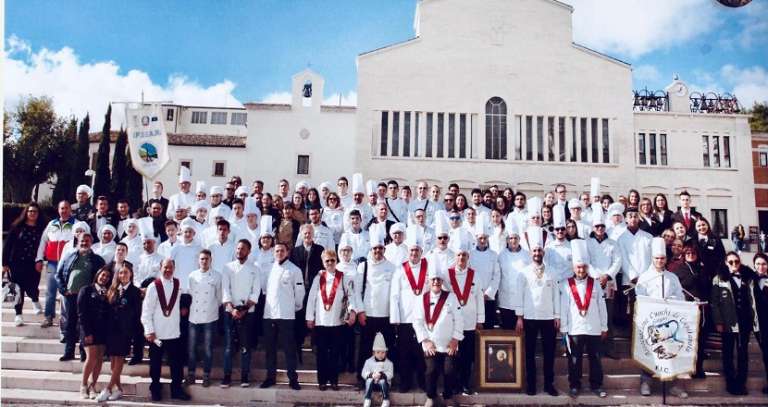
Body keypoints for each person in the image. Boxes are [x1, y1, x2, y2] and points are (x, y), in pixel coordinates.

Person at [635, 237, 687, 398]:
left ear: (666, 259)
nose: (659, 261)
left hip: (669, 323)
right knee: (649, 352)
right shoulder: (644, 277)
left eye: (662, 258)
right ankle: (646, 383)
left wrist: (673, 301)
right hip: (651, 323)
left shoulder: (672, 277)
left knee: (670, 353)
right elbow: (640, 298)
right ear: (652, 259)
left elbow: (681, 296)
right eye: (657, 258)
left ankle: (673, 385)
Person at [560, 239, 608, 398]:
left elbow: (602, 306)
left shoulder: (594, 284)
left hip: (594, 327)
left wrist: (604, 327)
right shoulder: (566, 284)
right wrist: (564, 328)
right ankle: (574, 385)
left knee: (595, 358)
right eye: (578, 267)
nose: (581, 270)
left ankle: (597, 385)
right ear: (574, 267)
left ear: (587, 267)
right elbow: (564, 307)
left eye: (583, 267)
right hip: (574, 328)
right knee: (574, 359)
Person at [517, 226, 560, 396]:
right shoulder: (524, 273)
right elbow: (519, 296)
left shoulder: (552, 272)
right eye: (534, 250)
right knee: (530, 353)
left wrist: (557, 316)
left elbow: (556, 295)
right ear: (530, 253)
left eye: (539, 250)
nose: (537, 253)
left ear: (543, 253)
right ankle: (531, 384)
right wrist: (519, 317)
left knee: (549, 353)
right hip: (529, 317)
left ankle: (549, 384)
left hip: (548, 317)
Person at [306, 249, 358, 390]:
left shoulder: (343, 277)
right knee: (321, 353)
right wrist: (310, 317)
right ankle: (322, 381)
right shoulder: (318, 278)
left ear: (336, 261)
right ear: (323, 262)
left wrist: (352, 312)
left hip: (337, 322)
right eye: (327, 261)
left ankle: (334, 380)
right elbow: (311, 299)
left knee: (336, 353)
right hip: (321, 322)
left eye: (332, 260)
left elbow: (351, 296)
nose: (330, 263)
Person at [413, 265, 463, 407]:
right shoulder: (422, 299)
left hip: (449, 344)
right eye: (433, 279)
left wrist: (455, 340)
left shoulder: (451, 297)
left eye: (439, 280)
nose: (436, 282)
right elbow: (417, 321)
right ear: (429, 281)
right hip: (431, 344)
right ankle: (431, 396)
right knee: (430, 371)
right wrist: (425, 341)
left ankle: (448, 396)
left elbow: (459, 319)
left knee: (449, 370)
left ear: (442, 282)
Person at [142, 258, 191, 401]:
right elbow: (146, 311)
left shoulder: (178, 283)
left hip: (174, 332)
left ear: (174, 268)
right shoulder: (153, 286)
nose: (168, 270)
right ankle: (155, 389)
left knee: (176, 363)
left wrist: (184, 306)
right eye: (165, 267)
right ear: (160, 267)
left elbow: (185, 296)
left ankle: (176, 389)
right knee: (155, 364)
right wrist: (149, 330)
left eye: (170, 267)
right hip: (156, 333)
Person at [711, 251, 760, 395]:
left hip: (744, 322)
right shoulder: (718, 279)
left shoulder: (748, 277)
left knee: (743, 353)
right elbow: (714, 303)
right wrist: (718, 321)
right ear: (726, 263)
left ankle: (741, 383)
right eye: (730, 262)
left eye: (736, 262)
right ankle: (730, 383)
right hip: (728, 322)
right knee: (727, 353)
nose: (734, 265)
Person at [389, 226, 429, 392]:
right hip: (405, 318)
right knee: (404, 352)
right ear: (408, 251)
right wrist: (395, 318)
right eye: (412, 251)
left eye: (417, 251)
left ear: (421, 252)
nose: (414, 254)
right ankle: (405, 382)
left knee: (422, 352)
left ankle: (422, 381)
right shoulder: (400, 269)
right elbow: (394, 295)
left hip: (424, 319)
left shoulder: (428, 269)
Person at [356, 224, 396, 388]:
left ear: (384, 249)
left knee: (389, 348)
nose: (378, 251)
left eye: (380, 248)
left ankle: (388, 378)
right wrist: (360, 311)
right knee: (365, 348)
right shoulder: (363, 266)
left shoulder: (392, 267)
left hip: (386, 315)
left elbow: (395, 294)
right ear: (371, 249)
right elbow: (357, 292)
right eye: (375, 248)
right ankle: (362, 379)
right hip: (368, 314)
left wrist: (394, 316)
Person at [56, 232, 106, 361]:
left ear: (91, 243)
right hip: (70, 296)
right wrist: (63, 290)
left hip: (87, 297)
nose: (84, 243)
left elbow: (103, 278)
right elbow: (59, 274)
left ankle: (84, 354)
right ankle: (69, 352)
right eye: (82, 241)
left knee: (84, 325)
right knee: (70, 324)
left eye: (87, 241)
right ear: (78, 242)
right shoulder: (70, 256)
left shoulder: (97, 260)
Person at [261, 242, 304, 390]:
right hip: (269, 314)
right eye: (277, 251)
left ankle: (293, 379)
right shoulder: (269, 269)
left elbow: (299, 294)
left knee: (289, 349)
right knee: (270, 349)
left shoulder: (294, 270)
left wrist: (295, 307)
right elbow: (265, 289)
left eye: (282, 251)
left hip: (286, 315)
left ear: (287, 252)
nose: (279, 253)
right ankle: (270, 377)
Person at [220, 239, 261, 388]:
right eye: (237, 248)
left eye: (243, 249)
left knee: (245, 346)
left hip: (248, 313)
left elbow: (255, 292)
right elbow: (225, 290)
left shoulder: (254, 269)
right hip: (230, 312)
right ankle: (226, 377)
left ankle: (244, 377)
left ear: (249, 252)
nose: (239, 251)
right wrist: (232, 309)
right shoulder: (227, 268)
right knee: (229, 347)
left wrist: (243, 309)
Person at [98, 264, 142, 401]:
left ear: (131, 274)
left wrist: (134, 332)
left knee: (119, 360)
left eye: (126, 272)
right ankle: (119, 389)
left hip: (125, 332)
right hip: (111, 331)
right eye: (121, 273)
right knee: (113, 361)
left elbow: (137, 313)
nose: (123, 275)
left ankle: (108, 388)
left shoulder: (135, 292)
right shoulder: (113, 290)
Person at [669, 242, 709, 378]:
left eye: (693, 253)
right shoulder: (678, 270)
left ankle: (699, 368)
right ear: (684, 255)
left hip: (702, 309)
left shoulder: (703, 269)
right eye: (688, 253)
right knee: (686, 340)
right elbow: (674, 290)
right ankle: (685, 368)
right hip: (685, 310)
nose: (691, 255)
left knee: (701, 341)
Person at [449, 246, 485, 396]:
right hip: (452, 323)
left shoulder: (475, 276)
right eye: (459, 255)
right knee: (453, 356)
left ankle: (464, 384)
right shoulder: (448, 275)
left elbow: (479, 298)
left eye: (464, 255)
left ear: (468, 257)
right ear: (455, 257)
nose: (461, 258)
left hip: (470, 322)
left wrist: (480, 319)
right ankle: (453, 384)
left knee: (467, 356)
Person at [3, 202, 45, 326]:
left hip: (33, 263)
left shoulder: (42, 228)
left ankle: (35, 299)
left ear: (38, 214)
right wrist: (4, 263)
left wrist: (41, 260)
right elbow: (8, 245)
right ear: (26, 213)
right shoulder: (17, 227)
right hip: (16, 263)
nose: (32, 213)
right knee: (18, 289)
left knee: (32, 287)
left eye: (35, 211)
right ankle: (18, 314)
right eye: (30, 211)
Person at [185, 250, 222, 388]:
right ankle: (191, 374)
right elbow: (190, 294)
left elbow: (219, 297)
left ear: (211, 260)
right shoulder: (192, 276)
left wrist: (212, 308)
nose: (204, 261)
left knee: (207, 348)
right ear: (198, 260)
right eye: (201, 259)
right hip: (194, 316)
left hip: (210, 316)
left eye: (206, 259)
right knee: (192, 348)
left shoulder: (217, 276)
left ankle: (206, 375)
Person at [37, 200, 75, 328]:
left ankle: (66, 319)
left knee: (67, 291)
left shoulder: (76, 224)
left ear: (70, 209)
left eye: (66, 208)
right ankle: (49, 316)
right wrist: (39, 258)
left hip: (68, 263)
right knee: (50, 291)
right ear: (58, 210)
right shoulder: (52, 224)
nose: (64, 211)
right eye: (61, 208)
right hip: (52, 263)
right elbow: (43, 241)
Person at [77, 266, 112, 399]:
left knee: (99, 360)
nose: (104, 278)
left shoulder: (108, 292)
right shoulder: (86, 290)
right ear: (97, 275)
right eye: (103, 275)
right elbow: (81, 313)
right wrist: (87, 332)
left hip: (102, 332)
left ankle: (93, 386)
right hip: (88, 330)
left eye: (107, 277)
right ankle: (83, 385)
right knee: (91, 357)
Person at [496, 224, 530, 329]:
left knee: (522, 334)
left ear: (519, 239)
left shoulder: (527, 255)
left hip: (522, 300)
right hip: (505, 300)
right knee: (508, 332)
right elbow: (498, 275)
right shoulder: (501, 255)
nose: (513, 241)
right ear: (507, 240)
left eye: (515, 238)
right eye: (510, 238)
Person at [361, 332, 394, 407]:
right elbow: (364, 372)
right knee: (369, 381)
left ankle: (386, 399)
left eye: (383, 352)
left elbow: (390, 374)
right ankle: (367, 399)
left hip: (383, 384)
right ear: (373, 353)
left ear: (386, 353)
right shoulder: (368, 361)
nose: (380, 355)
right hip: (372, 382)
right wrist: (371, 375)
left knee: (382, 381)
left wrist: (382, 375)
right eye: (378, 352)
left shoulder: (389, 363)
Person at [752, 253, 768, 394]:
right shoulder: (751, 279)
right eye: (758, 264)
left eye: (763, 264)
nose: (761, 267)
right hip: (758, 322)